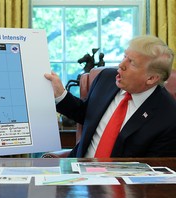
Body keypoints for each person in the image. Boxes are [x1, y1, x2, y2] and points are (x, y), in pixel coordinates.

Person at [45, 35, 176, 157]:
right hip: (79, 170)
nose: (121, 65)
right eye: (125, 56)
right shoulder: (106, 78)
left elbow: (154, 172)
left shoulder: (169, 116)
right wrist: (61, 94)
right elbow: (86, 114)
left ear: (151, 78)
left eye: (132, 62)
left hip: (122, 179)